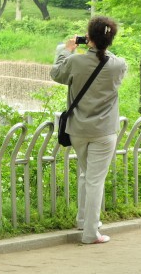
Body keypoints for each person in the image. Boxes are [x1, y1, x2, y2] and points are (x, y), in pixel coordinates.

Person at [50, 16, 126, 244]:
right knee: (95, 179)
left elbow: (57, 74)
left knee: (86, 175)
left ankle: (84, 221)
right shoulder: (118, 64)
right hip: (104, 132)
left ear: (88, 38)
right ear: (110, 40)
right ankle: (91, 233)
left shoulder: (76, 62)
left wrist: (66, 50)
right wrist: (98, 46)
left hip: (78, 130)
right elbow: (109, 60)